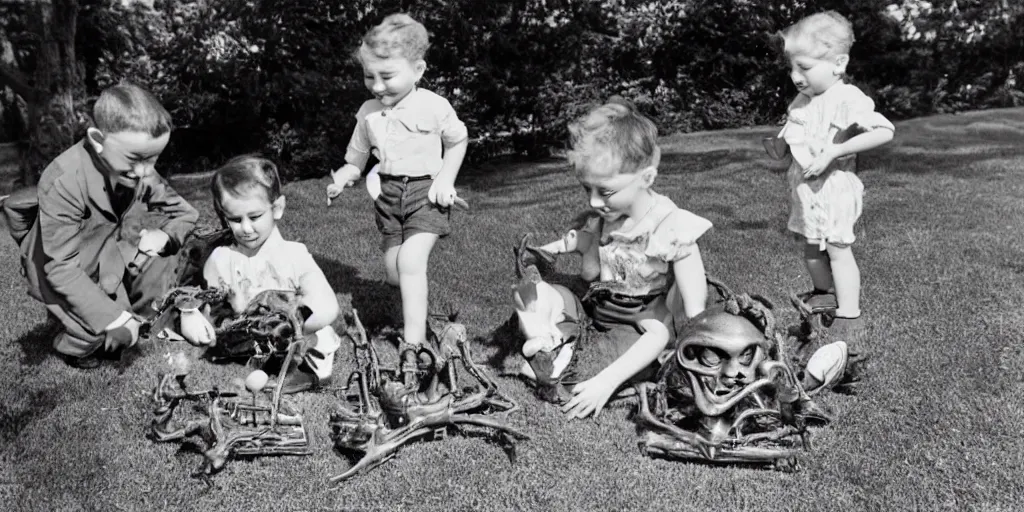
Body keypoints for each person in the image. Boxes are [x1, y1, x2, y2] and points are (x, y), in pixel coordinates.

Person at [535, 98, 712, 419]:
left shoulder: (668, 226)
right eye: (587, 189)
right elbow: (583, 240)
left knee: (577, 381)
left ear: (645, 178)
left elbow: (691, 300)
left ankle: (615, 374)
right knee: (538, 294)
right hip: (600, 305)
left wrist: (605, 382)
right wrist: (551, 249)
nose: (593, 200)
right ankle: (555, 342)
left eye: (605, 191)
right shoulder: (609, 216)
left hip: (644, 318)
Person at [3, 83, 198, 369]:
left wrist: (166, 237)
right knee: (101, 332)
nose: (145, 171)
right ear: (97, 139)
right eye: (135, 159)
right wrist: (115, 319)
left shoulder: (138, 170)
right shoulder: (65, 179)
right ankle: (72, 343)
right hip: (56, 268)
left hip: (103, 262)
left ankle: (98, 321)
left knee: (120, 338)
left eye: (153, 158)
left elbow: (185, 213)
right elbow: (59, 267)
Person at [326, 14, 469, 356]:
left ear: (418, 70)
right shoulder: (369, 112)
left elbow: (458, 141)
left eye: (387, 76)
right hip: (389, 197)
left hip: (426, 193)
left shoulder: (434, 106)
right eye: (369, 76)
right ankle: (424, 306)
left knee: (410, 262)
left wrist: (446, 179)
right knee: (394, 272)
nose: (377, 86)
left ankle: (414, 341)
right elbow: (357, 156)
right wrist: (345, 175)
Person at [766, 11, 895, 343]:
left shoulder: (847, 99)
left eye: (805, 67)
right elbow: (794, 136)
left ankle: (849, 316)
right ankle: (824, 294)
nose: (796, 76)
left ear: (839, 64)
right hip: (807, 191)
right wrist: (780, 147)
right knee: (811, 250)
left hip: (835, 188)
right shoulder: (803, 101)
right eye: (792, 68)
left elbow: (884, 132)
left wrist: (835, 151)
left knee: (838, 249)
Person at [201, 155, 343, 394]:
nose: (245, 229)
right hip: (250, 338)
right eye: (235, 220)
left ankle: (311, 367)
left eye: (254, 217)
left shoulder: (293, 255)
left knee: (313, 337)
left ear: (277, 208)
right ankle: (266, 359)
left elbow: (328, 307)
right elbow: (209, 311)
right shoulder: (221, 258)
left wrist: (291, 329)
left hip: (295, 333)